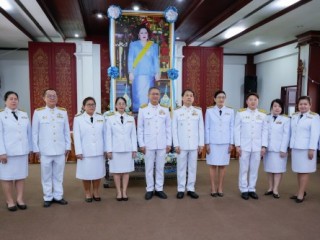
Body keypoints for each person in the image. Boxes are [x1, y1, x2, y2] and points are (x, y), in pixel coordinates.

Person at [32, 89, 71, 208]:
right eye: (49, 96)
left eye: (54, 96)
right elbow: (34, 133)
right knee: (46, 175)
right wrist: (36, 149)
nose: (52, 98)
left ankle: (58, 196)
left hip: (60, 149)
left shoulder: (63, 112)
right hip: (45, 150)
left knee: (59, 175)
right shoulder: (38, 113)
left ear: (57, 98)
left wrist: (68, 146)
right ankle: (48, 196)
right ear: (44, 98)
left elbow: (66, 131)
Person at [0, 91, 32, 211]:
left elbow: (28, 133)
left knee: (20, 176)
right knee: (6, 177)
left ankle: (19, 199)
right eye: (11, 99)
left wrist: (29, 150)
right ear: (5, 101)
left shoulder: (24, 114)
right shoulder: (1, 115)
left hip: (22, 152)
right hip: (7, 153)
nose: (14, 101)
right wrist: (1, 152)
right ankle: (10, 201)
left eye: (15, 99)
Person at [137, 87, 171, 200]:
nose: (155, 96)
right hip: (148, 144)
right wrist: (141, 144)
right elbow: (140, 128)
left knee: (160, 167)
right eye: (153, 94)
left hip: (162, 143)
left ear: (160, 96)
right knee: (149, 168)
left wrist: (169, 143)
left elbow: (168, 128)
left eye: (157, 94)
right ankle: (150, 189)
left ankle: (159, 189)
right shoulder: (143, 109)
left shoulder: (165, 110)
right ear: (148, 95)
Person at [234, 92, 268, 200]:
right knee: (244, 168)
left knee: (254, 169)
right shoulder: (241, 113)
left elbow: (265, 131)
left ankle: (252, 189)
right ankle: (244, 189)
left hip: (257, 147)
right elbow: (237, 130)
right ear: (247, 102)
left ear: (258, 102)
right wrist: (238, 145)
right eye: (250, 99)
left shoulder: (263, 114)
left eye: (255, 100)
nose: (253, 101)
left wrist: (263, 146)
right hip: (244, 146)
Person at [172, 89, 204, 199]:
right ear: (182, 98)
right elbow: (174, 129)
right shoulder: (177, 112)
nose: (189, 97)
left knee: (192, 167)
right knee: (181, 167)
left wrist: (201, 144)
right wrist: (176, 144)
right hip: (181, 145)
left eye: (191, 95)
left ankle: (190, 188)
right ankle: (181, 189)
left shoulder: (198, 111)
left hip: (194, 145)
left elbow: (201, 129)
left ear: (193, 98)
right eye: (186, 95)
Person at [73, 97, 106, 202]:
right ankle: (87, 192)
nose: (91, 106)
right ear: (84, 106)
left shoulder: (101, 117)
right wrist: (78, 151)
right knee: (86, 173)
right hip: (85, 151)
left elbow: (105, 135)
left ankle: (96, 191)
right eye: (89, 104)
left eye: (93, 104)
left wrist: (106, 149)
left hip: (99, 150)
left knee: (98, 172)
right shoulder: (78, 119)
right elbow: (77, 136)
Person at [289, 96, 320, 203]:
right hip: (296, 147)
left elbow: (315, 134)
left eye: (305, 104)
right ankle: (300, 190)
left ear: (310, 105)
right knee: (299, 170)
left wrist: (312, 149)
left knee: (305, 171)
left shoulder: (314, 117)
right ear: (297, 105)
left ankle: (301, 193)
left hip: (306, 149)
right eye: (301, 104)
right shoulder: (294, 116)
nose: (303, 106)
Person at [106, 97, 137, 201]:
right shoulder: (110, 119)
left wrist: (134, 149)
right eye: (119, 103)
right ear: (115, 106)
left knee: (126, 172)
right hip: (115, 149)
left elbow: (133, 135)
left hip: (128, 149)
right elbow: (108, 136)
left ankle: (124, 192)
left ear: (126, 105)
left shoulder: (130, 118)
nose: (121, 105)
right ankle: (118, 192)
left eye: (123, 103)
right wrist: (109, 150)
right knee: (116, 172)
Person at [205, 90, 234, 197]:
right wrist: (207, 143)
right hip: (213, 142)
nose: (221, 99)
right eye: (219, 97)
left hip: (225, 142)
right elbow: (207, 127)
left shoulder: (230, 111)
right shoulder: (209, 111)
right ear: (214, 99)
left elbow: (232, 127)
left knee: (222, 166)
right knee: (212, 165)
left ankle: (220, 187)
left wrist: (231, 143)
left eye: (223, 97)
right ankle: (213, 187)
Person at [128, 24, 160, 112]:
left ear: (148, 34)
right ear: (138, 35)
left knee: (148, 94)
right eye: (141, 33)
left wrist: (157, 72)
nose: (143, 34)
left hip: (149, 74)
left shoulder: (153, 46)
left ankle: (149, 112)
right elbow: (130, 59)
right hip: (137, 74)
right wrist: (130, 72)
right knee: (138, 94)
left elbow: (155, 60)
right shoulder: (133, 45)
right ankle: (137, 112)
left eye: (145, 32)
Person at [263, 99, 290, 199]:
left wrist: (283, 149)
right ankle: (270, 188)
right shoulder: (266, 117)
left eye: (279, 106)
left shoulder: (286, 119)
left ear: (282, 108)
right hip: (268, 149)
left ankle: (275, 189)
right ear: (271, 107)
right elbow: (264, 133)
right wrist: (264, 146)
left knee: (278, 170)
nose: (277, 108)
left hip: (279, 150)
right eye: (275, 106)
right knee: (269, 169)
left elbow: (286, 136)